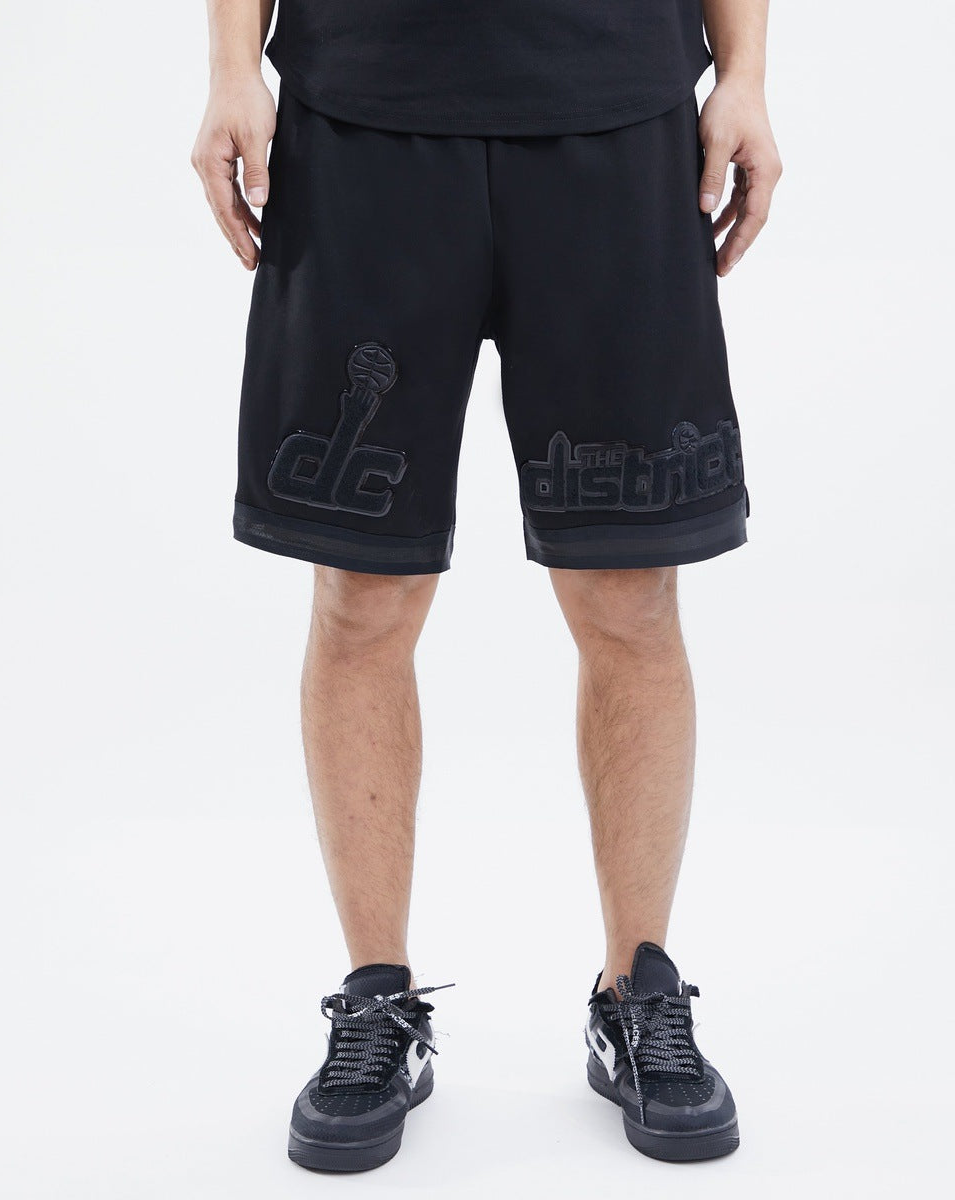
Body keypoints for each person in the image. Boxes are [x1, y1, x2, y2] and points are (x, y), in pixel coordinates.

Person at [192, 0, 781, 1172]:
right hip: (363, 112)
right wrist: (229, 69)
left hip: (617, 107)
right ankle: (377, 999)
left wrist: (747, 75)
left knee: (628, 592)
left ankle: (639, 992)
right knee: (363, 596)